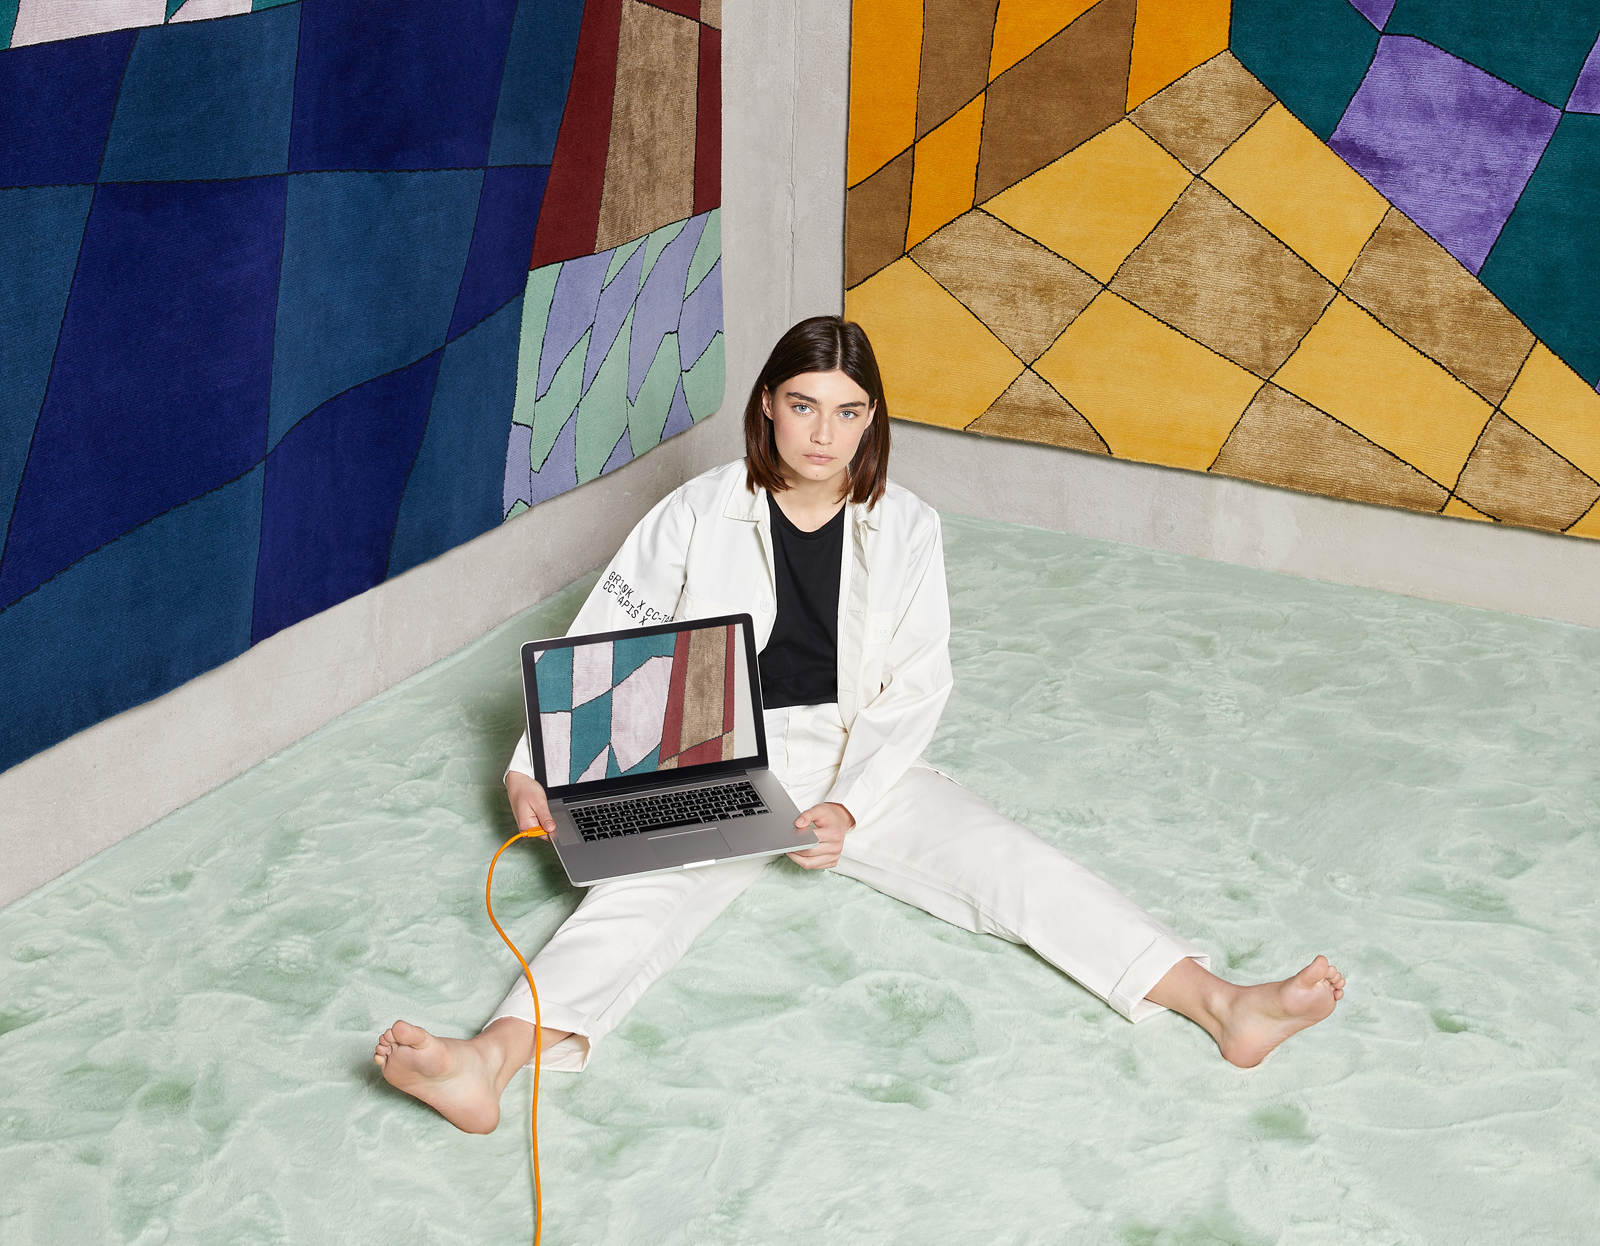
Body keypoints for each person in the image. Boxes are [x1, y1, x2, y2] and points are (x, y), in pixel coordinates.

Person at [376, 317, 1344, 1131]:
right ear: (768, 404)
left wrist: (846, 804)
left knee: (1007, 860)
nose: (823, 433)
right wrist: (534, 763)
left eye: (846, 412)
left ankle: (1223, 1005)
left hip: (851, 755)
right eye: (803, 405)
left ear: (870, 419)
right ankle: (487, 1063)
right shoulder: (697, 510)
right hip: (709, 747)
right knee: (631, 904)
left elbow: (916, 687)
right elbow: (607, 634)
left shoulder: (907, 525)